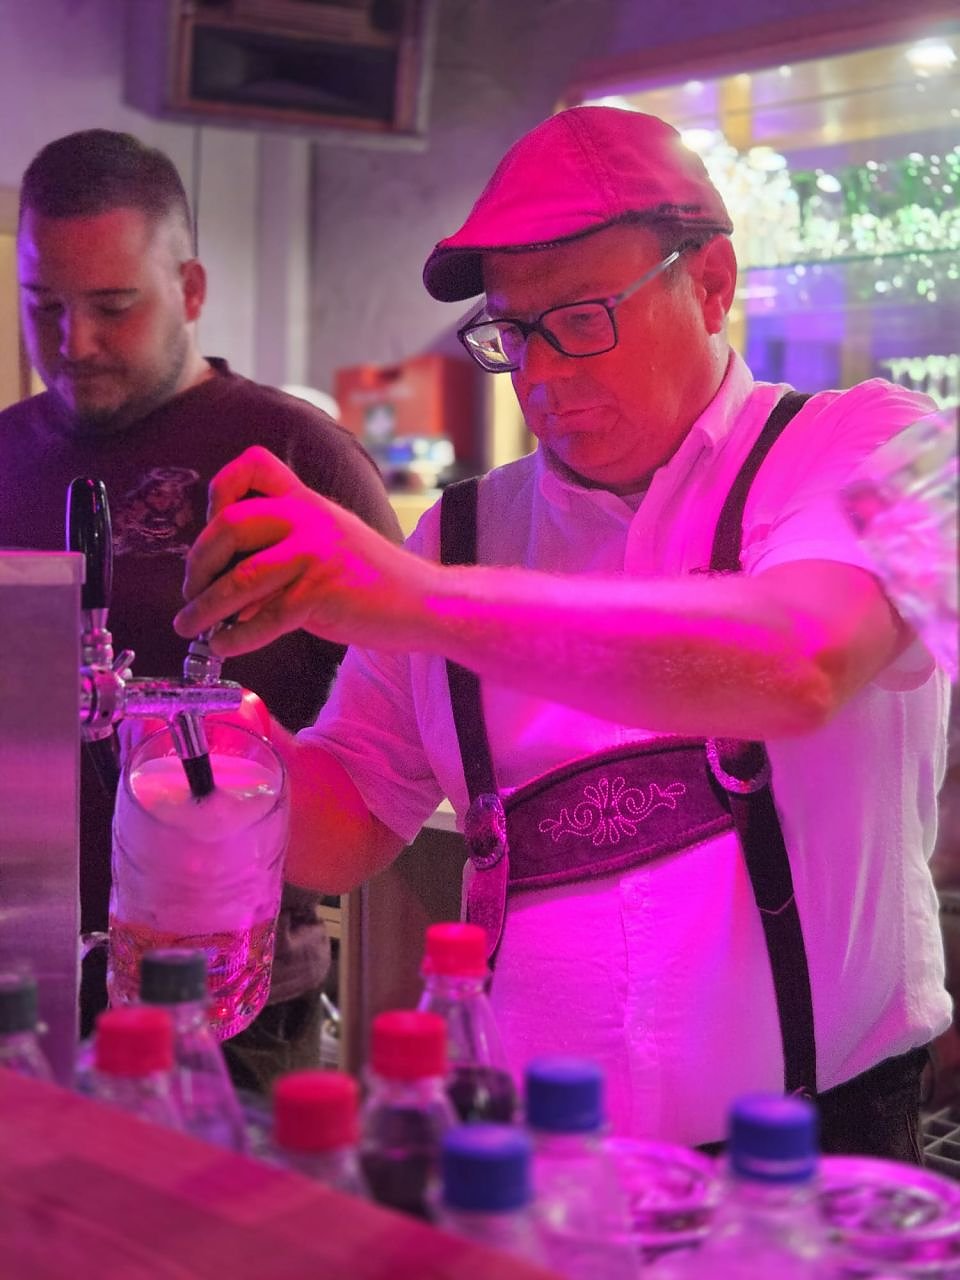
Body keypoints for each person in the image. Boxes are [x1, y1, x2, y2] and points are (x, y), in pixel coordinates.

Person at [173, 106, 956, 1154]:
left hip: (815, 1158)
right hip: (535, 1158)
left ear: (712, 283)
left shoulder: (895, 445)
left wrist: (408, 597)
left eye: (582, 319)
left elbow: (800, 663)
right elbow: (348, 819)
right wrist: (208, 747)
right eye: (515, 332)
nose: (539, 377)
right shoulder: (457, 534)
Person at [0, 129, 402, 1090]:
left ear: (188, 291)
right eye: (44, 305)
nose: (74, 343)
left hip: (228, 1000)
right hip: (20, 977)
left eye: (113, 306)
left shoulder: (296, 458)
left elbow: (401, 712)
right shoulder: (5, 453)